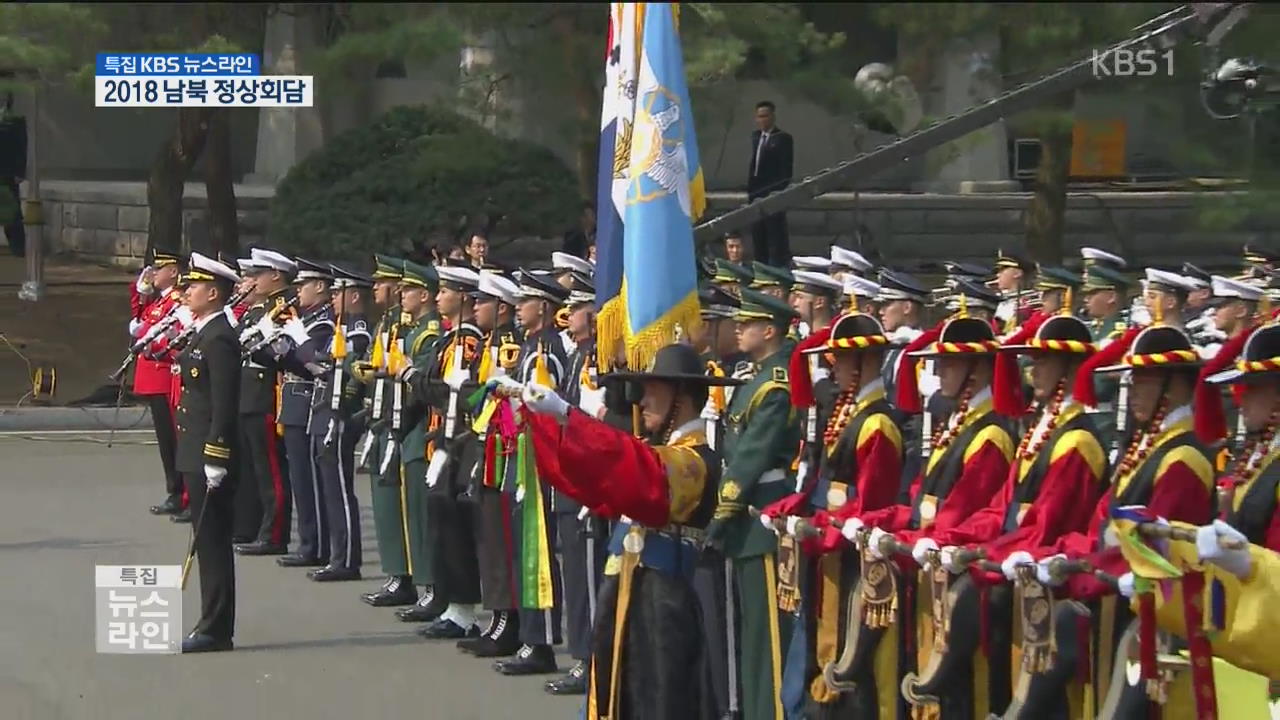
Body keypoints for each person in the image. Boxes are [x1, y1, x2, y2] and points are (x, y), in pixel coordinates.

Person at [513, 342, 741, 719]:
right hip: (638, 597)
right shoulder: (662, 449)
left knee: (662, 702)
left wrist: (568, 415)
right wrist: (546, 419)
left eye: (654, 390)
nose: (643, 399)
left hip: (667, 602)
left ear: (681, 399)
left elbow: (639, 472)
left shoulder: (695, 460)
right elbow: (599, 480)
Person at [704, 288, 802, 720]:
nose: (738, 328)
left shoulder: (775, 384)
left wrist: (720, 513)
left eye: (747, 323)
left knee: (769, 637)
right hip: (749, 518)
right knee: (753, 635)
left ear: (770, 330)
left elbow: (750, 458)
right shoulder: (758, 377)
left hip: (763, 516)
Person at [398, 262, 484, 639]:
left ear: (462, 298)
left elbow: (455, 396)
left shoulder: (466, 342)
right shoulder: (448, 340)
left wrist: (411, 377)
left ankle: (463, 609)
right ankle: (452, 604)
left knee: (453, 527)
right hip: (442, 440)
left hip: (458, 441)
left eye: (446, 292)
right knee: (441, 524)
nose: (438, 297)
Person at [495, 269, 571, 676]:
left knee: (537, 551)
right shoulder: (530, 347)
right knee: (524, 548)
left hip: (539, 459)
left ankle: (540, 639)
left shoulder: (546, 350)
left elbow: (544, 409)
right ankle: (531, 635)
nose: (517, 309)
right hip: (522, 453)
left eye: (524, 301)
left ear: (543, 306)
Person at [174, 252, 242, 653]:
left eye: (193, 286)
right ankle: (209, 620)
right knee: (206, 540)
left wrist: (217, 455)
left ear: (213, 293)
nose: (185, 292)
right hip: (194, 449)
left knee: (213, 543)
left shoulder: (220, 339)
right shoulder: (204, 332)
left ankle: (216, 628)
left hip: (207, 454)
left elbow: (223, 403)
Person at [457, 269, 526, 657]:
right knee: (490, 539)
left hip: (502, 451)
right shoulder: (489, 343)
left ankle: (507, 619)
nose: (476, 306)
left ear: (501, 307)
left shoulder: (507, 346)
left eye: (482, 301)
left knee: (500, 539)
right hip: (487, 448)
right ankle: (499, 616)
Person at [354, 255, 419, 607]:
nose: (376, 288)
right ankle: (396, 573)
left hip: (401, 418)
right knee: (383, 502)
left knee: (401, 503)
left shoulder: (410, 326)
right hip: (380, 414)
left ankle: (408, 575)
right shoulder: (386, 323)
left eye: (383, 283)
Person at [306, 263, 372, 582]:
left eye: (338, 293)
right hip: (325, 409)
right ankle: (337, 555)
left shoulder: (357, 330)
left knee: (341, 490)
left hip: (340, 412)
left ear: (354, 295)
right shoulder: (341, 328)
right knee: (330, 488)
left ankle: (346, 559)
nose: (333, 298)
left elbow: (351, 375)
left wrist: (341, 411)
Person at [386, 259, 444, 621]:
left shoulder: (428, 335)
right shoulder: (410, 330)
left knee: (424, 515)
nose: (400, 294)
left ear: (424, 295)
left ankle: (432, 586)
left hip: (422, 429)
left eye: (407, 290)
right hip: (406, 427)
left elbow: (420, 385)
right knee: (413, 512)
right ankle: (422, 584)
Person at [271, 259, 337, 570]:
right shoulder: (306, 319)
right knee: (300, 480)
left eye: (304, 286)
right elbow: (281, 354)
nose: (298, 292)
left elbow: (315, 363)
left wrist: (292, 344)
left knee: (309, 481)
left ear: (321, 287)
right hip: (293, 402)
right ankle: (308, 542)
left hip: (307, 400)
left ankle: (316, 545)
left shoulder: (323, 322)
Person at [234, 248, 297, 556]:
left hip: (266, 396)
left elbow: (280, 351)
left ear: (275, 275)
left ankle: (274, 533)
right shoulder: (257, 309)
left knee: (271, 469)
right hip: (248, 395)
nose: (251, 281)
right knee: (253, 468)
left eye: (257, 275)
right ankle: (251, 526)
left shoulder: (284, 309)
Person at [132, 248, 188, 518]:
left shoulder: (176, 300)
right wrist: (141, 294)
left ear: (173, 271)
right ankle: (175, 490)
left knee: (174, 439)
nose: (153, 274)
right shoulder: (158, 301)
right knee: (166, 441)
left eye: (159, 269)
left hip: (165, 376)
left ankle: (181, 492)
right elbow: (141, 322)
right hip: (153, 376)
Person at [747, 100, 794, 268]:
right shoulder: (755, 137)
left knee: (775, 235)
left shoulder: (783, 139)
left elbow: (785, 171)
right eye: (759, 117)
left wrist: (776, 193)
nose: (762, 120)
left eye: (765, 116)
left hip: (773, 194)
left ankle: (777, 267)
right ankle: (760, 267)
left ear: (772, 117)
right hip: (755, 194)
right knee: (758, 235)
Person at [0, 89, 26, 257]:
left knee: (12, 212)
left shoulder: (15, 121)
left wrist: (19, 171)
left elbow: (21, 147)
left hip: (7, 171)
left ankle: (18, 247)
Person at [991, 248, 1036, 335]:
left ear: (1017, 273)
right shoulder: (993, 298)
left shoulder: (1031, 302)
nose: (998, 275)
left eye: (1002, 270)